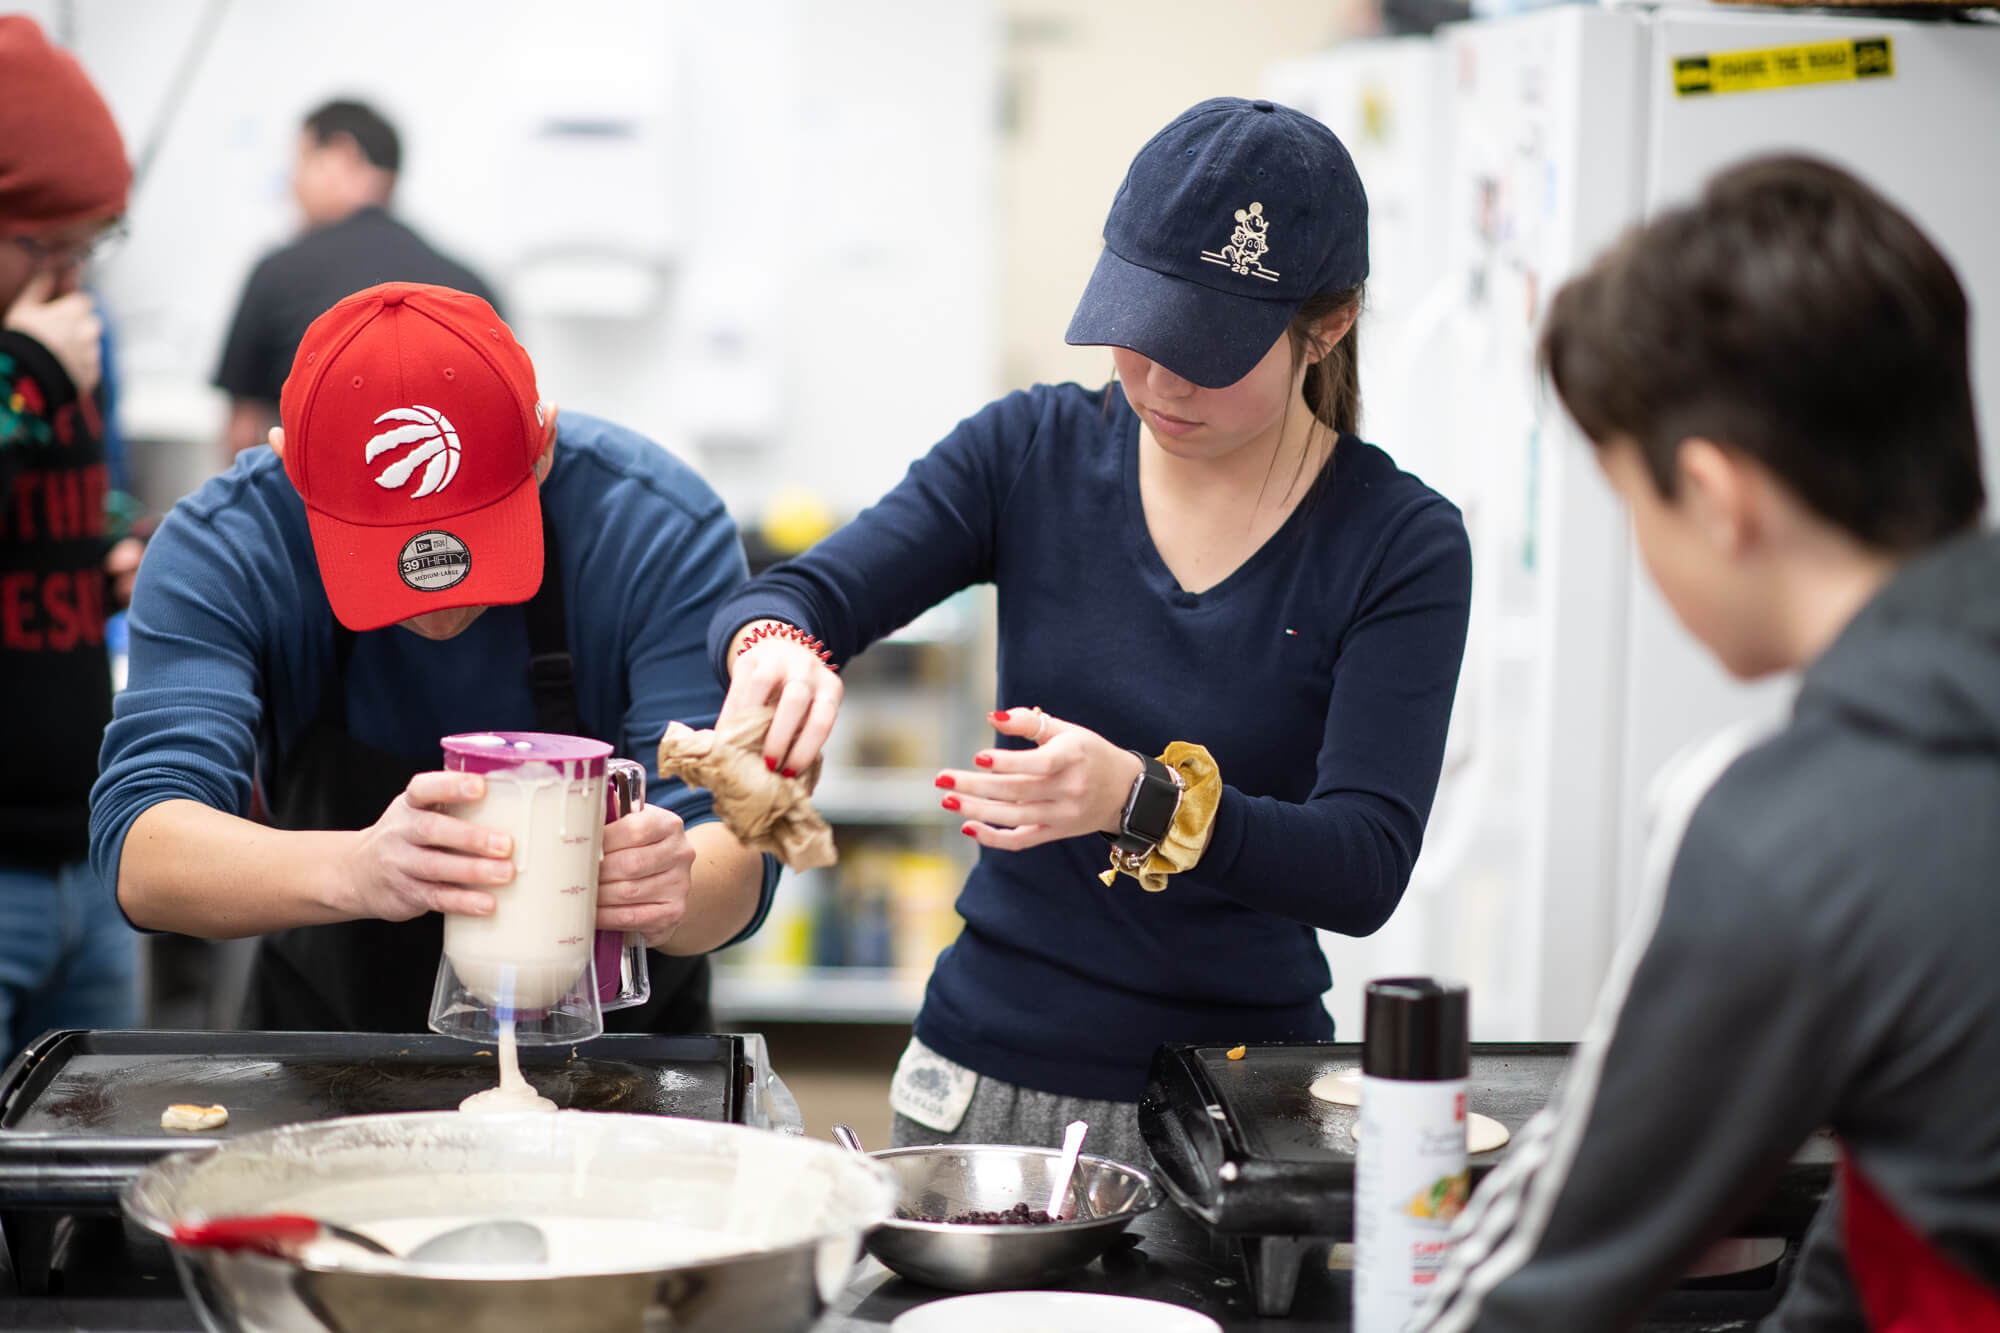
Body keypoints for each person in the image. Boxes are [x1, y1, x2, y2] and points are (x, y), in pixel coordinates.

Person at [711, 97, 1473, 1165]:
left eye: (1208, 349)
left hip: (1236, 1109)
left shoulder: (1397, 541)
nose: (1161, 378)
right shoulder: (1030, 450)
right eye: (1140, 330)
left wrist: (1138, 798)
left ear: (1329, 324)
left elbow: (1363, 865)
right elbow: (797, 595)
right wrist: (772, 647)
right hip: (978, 1076)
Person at [1413, 157, 1999, 1331]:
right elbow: (1915, 1195)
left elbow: (1530, 1284)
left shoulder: (1792, 833)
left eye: (1630, 502)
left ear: (1713, 495)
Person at [93, 281, 776, 1034]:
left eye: (477, 536)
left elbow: (738, 841)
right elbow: (144, 851)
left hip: (621, 1058)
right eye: (384, 551)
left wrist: (672, 888)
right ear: (292, 468)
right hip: (329, 1045)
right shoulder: (227, 546)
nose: (440, 604)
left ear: (544, 445)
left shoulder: (654, 530)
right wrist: (358, 869)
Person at [0, 14, 145, 1063]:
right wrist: (24, 373)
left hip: (86, 861)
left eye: (85, 247)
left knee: (93, 1150)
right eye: (41, 245)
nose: (66, 277)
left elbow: (50, 518)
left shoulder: (69, 336)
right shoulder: (40, 356)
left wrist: (104, 561)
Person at [214, 99, 501, 463]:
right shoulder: (472, 288)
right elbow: (498, 424)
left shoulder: (277, 272)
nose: (293, 185)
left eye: (300, 163)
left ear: (342, 155)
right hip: (447, 491)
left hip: (307, 497)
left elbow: (243, 432)